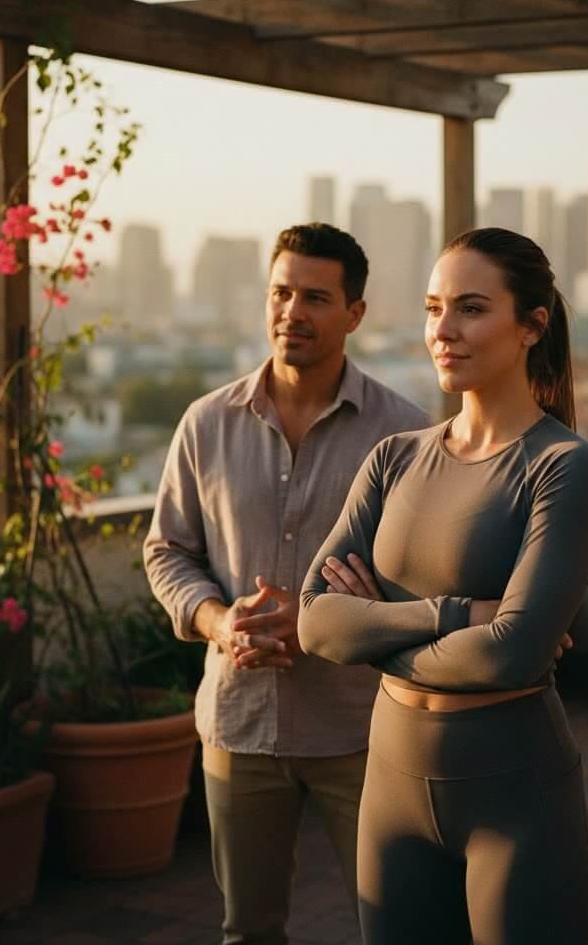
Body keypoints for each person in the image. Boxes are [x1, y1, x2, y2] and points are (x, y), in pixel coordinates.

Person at [297, 227, 588, 945]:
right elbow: (315, 624)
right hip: (391, 788)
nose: (444, 330)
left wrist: (373, 624)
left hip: (517, 796)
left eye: (471, 308)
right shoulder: (393, 458)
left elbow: (511, 656)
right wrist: (457, 613)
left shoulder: (564, 465)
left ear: (532, 325)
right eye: (435, 308)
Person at [143, 222, 429, 945]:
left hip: (361, 731)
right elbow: (167, 551)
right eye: (280, 292)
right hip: (240, 727)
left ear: (354, 313)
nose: (291, 311)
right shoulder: (206, 425)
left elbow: (426, 585)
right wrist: (217, 622)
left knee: (399, 923)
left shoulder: (404, 438)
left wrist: (336, 621)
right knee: (249, 930)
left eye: (315, 296)